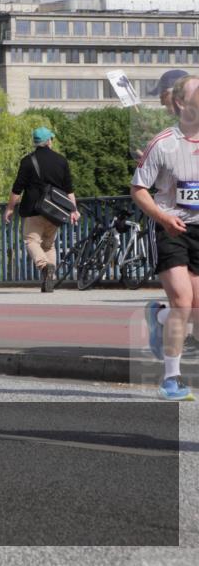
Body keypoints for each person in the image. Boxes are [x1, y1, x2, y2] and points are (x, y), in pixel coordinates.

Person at [132, 74, 198, 401]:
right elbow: (138, 189)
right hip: (171, 226)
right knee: (183, 302)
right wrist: (162, 217)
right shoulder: (163, 143)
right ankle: (171, 379)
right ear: (182, 103)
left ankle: (158, 316)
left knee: (194, 309)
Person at [3, 127, 79, 293]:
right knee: (49, 245)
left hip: (33, 210)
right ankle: (49, 279)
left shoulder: (27, 161)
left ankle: (44, 266)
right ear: (49, 141)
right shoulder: (61, 160)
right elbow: (69, 189)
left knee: (31, 241)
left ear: (36, 142)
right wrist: (73, 209)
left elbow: (17, 189)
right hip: (55, 211)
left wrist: (9, 208)